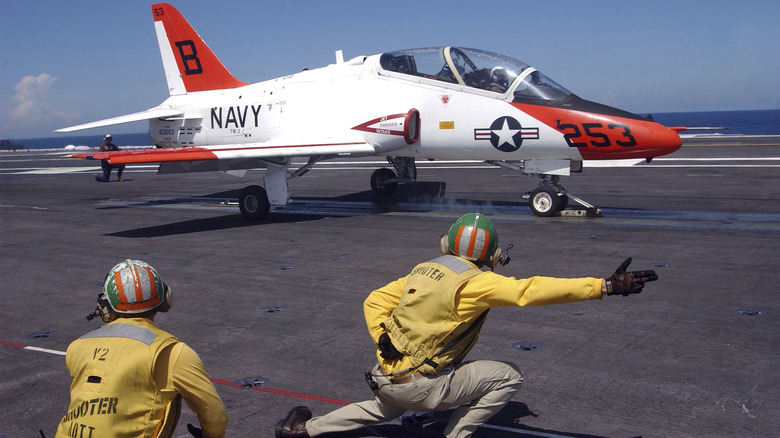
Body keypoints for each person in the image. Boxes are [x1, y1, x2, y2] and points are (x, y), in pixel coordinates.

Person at [275, 213, 658, 438]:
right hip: (424, 388)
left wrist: (382, 336)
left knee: (381, 409)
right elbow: (530, 290)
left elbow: (374, 300)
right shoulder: (477, 282)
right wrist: (604, 286)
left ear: (448, 244)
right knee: (509, 375)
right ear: (492, 254)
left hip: (386, 377)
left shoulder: (424, 269)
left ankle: (300, 432)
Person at [55, 259, 228, 438]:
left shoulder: (77, 347)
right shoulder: (172, 352)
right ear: (164, 300)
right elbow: (215, 416)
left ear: (106, 305)